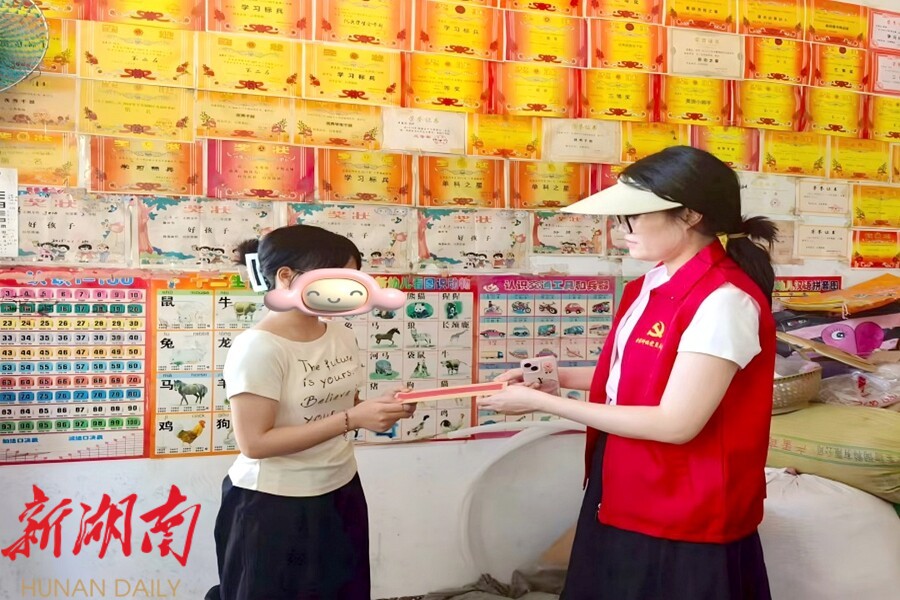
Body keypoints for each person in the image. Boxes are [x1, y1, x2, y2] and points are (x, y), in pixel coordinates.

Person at [479, 146, 778, 600]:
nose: (623, 230)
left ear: (690, 215)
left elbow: (676, 423)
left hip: (684, 502)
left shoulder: (724, 301)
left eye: (634, 216)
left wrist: (541, 403)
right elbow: (634, 374)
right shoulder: (652, 284)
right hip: (627, 476)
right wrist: (555, 378)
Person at [205, 224, 415, 600]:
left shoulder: (340, 334)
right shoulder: (259, 347)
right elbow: (255, 443)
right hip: (273, 504)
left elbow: (339, 405)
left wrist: (380, 407)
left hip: (341, 490)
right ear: (287, 277)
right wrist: (353, 419)